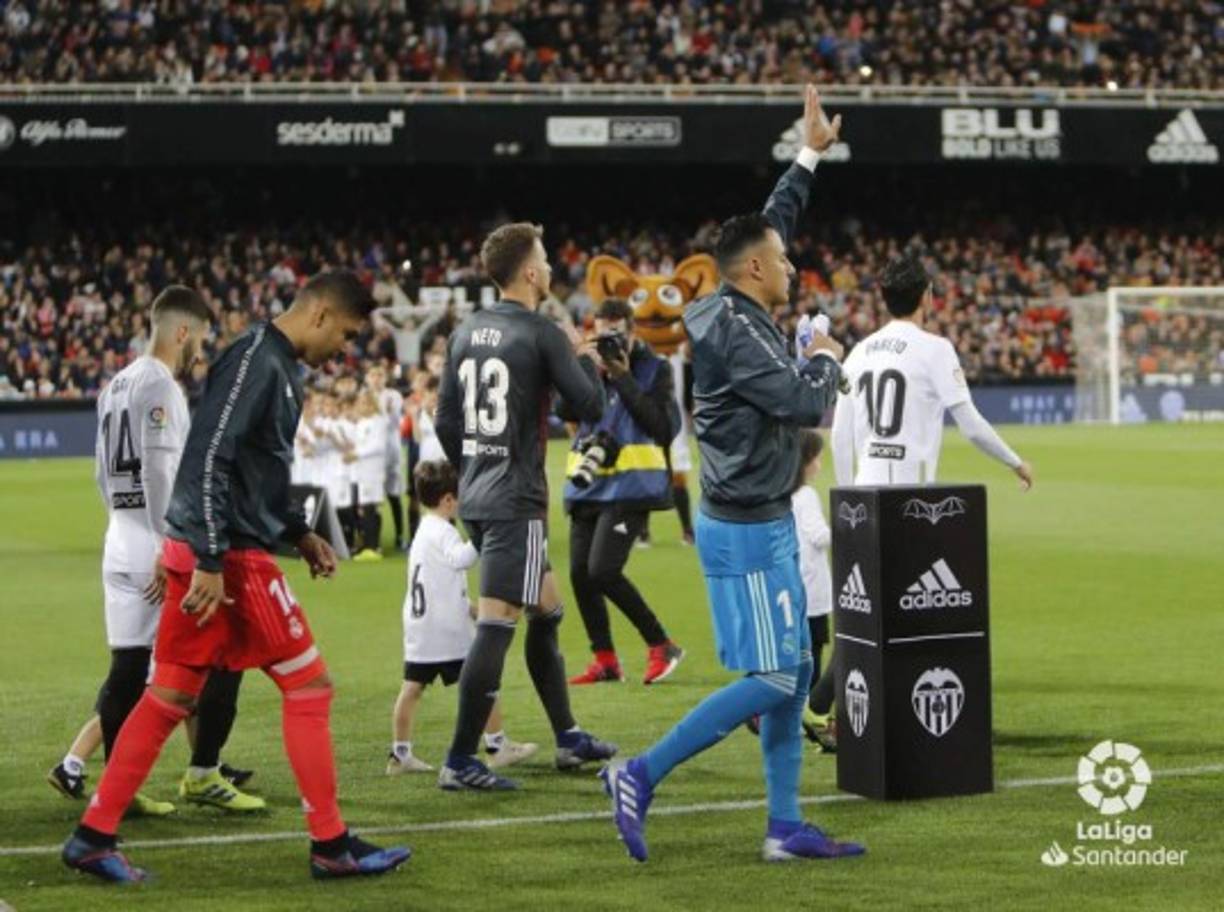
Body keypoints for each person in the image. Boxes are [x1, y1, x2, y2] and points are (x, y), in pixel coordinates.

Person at [61, 270, 410, 884]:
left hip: (210, 550)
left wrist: (299, 530)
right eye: (348, 334)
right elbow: (210, 457)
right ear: (322, 316)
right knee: (309, 688)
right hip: (227, 561)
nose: (346, 349)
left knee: (168, 693)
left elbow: (257, 470)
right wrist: (213, 559)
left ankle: (93, 835)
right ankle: (329, 842)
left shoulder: (273, 363)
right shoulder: (256, 360)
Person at [600, 86, 865, 864]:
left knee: (795, 666)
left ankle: (784, 826)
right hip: (746, 527)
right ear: (754, 270)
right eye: (782, 260)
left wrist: (810, 151)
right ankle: (640, 773)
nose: (792, 262)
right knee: (782, 676)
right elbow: (796, 401)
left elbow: (775, 218)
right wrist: (825, 360)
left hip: (766, 515)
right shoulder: (733, 334)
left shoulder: (741, 300)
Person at [49, 286, 261, 815]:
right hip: (155, 540)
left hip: (119, 533)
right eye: (201, 339)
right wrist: (173, 546)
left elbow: (102, 471)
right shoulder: (161, 386)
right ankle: (204, 771)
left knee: (126, 669)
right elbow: (163, 471)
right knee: (216, 653)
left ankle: (118, 787)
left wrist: (124, 523)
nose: (200, 352)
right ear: (181, 331)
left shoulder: (114, 384)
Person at [434, 221, 618, 790]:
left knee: (549, 609)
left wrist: (475, 471)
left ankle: (567, 737)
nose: (551, 269)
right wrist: (587, 358)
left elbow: (445, 421)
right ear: (532, 273)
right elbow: (589, 407)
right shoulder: (541, 332)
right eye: (545, 259)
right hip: (517, 499)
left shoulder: (465, 331)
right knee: (498, 623)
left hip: (481, 493)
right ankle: (461, 759)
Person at [829, 250, 1034, 490]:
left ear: (885, 299)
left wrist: (847, 498)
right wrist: (1015, 463)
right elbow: (972, 427)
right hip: (913, 493)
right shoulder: (936, 349)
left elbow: (840, 436)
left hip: (865, 492)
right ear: (926, 296)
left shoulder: (859, 352)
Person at [561, 297, 685, 686]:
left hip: (632, 485)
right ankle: (605, 660)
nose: (610, 342)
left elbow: (663, 427)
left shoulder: (655, 368)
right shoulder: (589, 368)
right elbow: (566, 410)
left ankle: (661, 644)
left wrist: (622, 376)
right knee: (581, 574)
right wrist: (581, 363)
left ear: (633, 331)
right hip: (587, 484)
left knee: (603, 570)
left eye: (616, 334)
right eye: (603, 335)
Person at [389, 460, 536, 774]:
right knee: (483, 680)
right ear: (447, 500)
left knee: (412, 687)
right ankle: (497, 745)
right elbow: (461, 560)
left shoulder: (424, 530)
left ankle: (400, 754)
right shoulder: (443, 531)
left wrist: (469, 606)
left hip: (420, 625)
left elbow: (437, 580)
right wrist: (485, 533)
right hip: (446, 631)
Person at [790, 430, 837, 752]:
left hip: (795, 584)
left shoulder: (784, 493)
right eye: (818, 457)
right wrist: (851, 528)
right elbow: (819, 536)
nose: (821, 463)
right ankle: (812, 718)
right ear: (807, 461)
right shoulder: (806, 495)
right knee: (814, 652)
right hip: (813, 589)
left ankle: (800, 717)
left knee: (802, 653)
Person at [366, 365, 407, 550]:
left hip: (391, 451)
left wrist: (385, 410)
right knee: (372, 498)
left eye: (380, 375)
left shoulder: (394, 395)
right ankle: (372, 540)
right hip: (369, 455)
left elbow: (393, 421)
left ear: (385, 378)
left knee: (394, 495)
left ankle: (399, 536)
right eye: (373, 374)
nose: (376, 378)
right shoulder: (363, 396)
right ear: (367, 377)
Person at [352, 388, 388, 561]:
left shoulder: (377, 422)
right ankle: (369, 545)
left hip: (372, 471)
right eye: (360, 403)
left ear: (373, 404)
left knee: (369, 508)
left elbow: (378, 446)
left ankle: (372, 547)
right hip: (361, 471)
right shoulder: (360, 423)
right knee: (365, 508)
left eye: (366, 402)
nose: (363, 406)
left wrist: (357, 453)